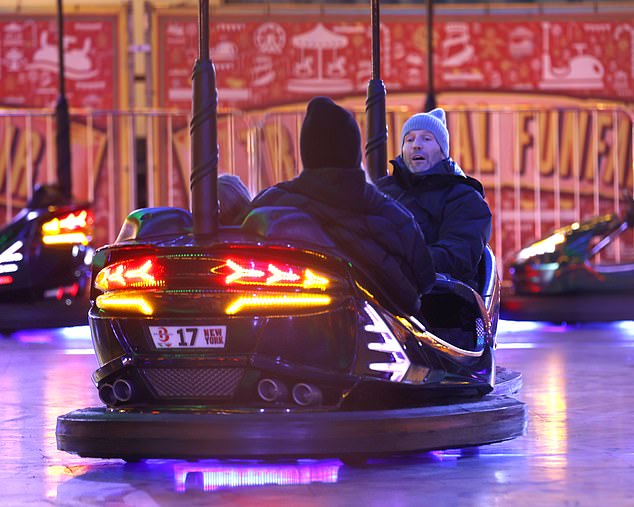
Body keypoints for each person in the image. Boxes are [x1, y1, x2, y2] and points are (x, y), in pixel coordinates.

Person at [249, 96, 436, 315]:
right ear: (354, 152)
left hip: (280, 324)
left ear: (307, 153)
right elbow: (426, 281)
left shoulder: (270, 202)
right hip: (382, 329)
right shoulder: (397, 217)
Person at [377, 108, 492, 289]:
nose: (416, 145)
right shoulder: (382, 191)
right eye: (410, 139)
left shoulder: (465, 198)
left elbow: (458, 254)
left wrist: (398, 266)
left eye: (427, 138)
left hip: (438, 299)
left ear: (442, 151)